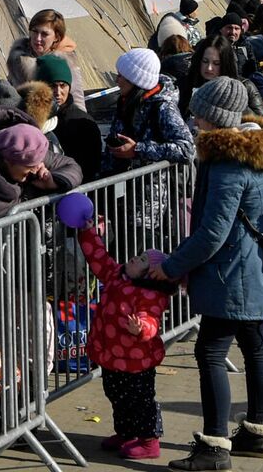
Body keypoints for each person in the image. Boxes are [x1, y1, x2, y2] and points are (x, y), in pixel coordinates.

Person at [150, 78, 263, 470]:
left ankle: (214, 446)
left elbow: (214, 232)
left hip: (233, 275)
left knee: (210, 351)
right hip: (260, 270)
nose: (193, 119)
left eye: (198, 112)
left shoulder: (229, 163)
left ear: (214, 117)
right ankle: (257, 432)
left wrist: (171, 266)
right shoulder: (259, 149)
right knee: (255, 348)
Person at [69, 196, 177, 461]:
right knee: (116, 395)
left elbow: (151, 321)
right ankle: (126, 432)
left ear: (150, 274)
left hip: (136, 360)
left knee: (140, 402)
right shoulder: (116, 274)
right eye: (138, 255)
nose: (134, 258)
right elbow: (98, 257)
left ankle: (150, 441)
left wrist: (141, 329)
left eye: (141, 260)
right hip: (113, 356)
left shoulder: (150, 296)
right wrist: (87, 231)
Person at [102, 49, 195, 176]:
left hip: (150, 190)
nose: (116, 81)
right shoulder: (125, 101)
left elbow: (186, 149)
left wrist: (138, 149)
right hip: (122, 186)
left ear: (134, 81)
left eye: (120, 76)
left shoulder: (163, 107)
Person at [36, 55, 104, 181]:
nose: (58, 91)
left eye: (63, 85)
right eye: (52, 86)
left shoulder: (83, 124)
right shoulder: (33, 117)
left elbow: (89, 167)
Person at [9, 10, 86, 110]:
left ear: (56, 37)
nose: (38, 38)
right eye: (35, 31)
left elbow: (77, 101)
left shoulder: (65, 63)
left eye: (44, 34)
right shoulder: (18, 59)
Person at [180, 36, 261, 121]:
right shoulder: (185, 84)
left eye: (216, 63)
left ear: (225, 63)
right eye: (205, 61)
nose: (209, 68)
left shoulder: (246, 86)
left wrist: (233, 103)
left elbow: (261, 125)